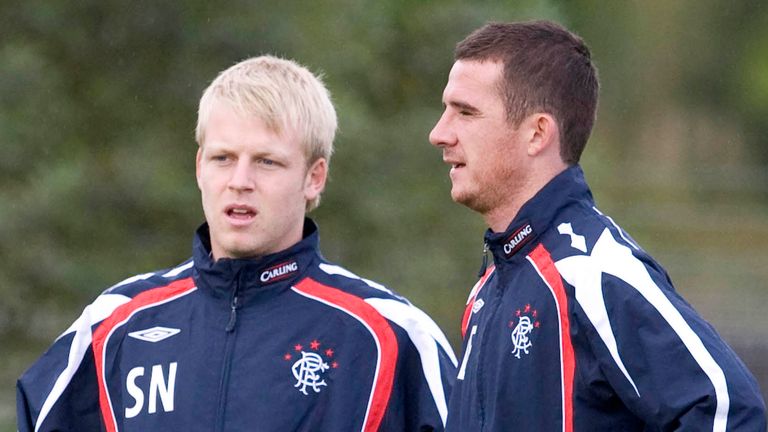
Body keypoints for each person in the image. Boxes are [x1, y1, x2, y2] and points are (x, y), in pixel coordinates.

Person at [17, 55, 457, 432]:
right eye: (223, 158)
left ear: (314, 177)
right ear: (199, 167)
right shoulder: (113, 327)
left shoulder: (391, 337)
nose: (239, 182)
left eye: (267, 162)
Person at [429, 20, 766, 431]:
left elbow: (728, 413)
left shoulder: (593, 273)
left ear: (537, 134)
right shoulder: (489, 288)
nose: (439, 133)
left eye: (465, 112)